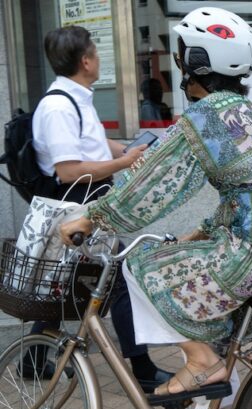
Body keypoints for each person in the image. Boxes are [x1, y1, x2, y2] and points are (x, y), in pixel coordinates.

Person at [60, 7, 252, 402]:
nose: (178, 61)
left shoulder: (205, 117)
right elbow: (247, 194)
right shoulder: (243, 112)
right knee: (213, 321)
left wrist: (92, 217)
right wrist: (202, 231)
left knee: (141, 267)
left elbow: (151, 187)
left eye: (181, 53)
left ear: (196, 61)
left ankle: (200, 363)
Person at [30, 25, 173, 390]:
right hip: (77, 207)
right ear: (86, 60)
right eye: (96, 52)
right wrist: (124, 164)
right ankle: (142, 371)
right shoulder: (59, 106)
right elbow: (68, 170)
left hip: (91, 204)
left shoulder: (77, 97)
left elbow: (92, 143)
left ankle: (32, 361)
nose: (99, 58)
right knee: (121, 280)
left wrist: (124, 150)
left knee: (66, 286)